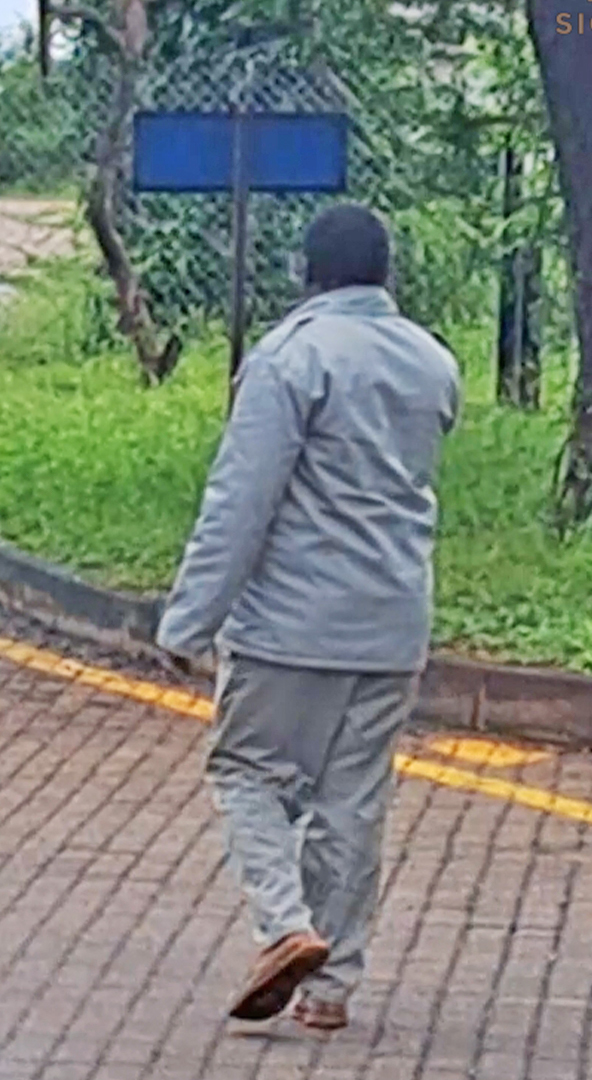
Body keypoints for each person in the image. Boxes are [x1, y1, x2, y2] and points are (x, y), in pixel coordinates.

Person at [156, 204, 461, 1029]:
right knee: (354, 801)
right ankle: (330, 991)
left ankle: (287, 928)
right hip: (394, 619)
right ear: (385, 273)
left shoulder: (291, 358)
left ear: (306, 273)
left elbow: (239, 502)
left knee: (245, 772)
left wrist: (188, 622)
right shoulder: (433, 362)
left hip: (292, 623)